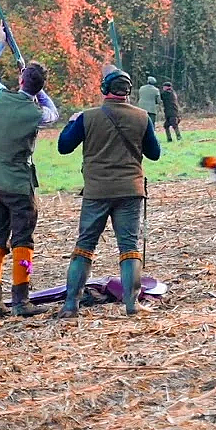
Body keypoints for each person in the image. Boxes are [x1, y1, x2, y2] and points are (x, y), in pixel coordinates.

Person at [54, 64, 161, 318]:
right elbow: (154, 154)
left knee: (84, 246)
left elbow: (63, 147)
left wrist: (71, 123)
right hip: (130, 190)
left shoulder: (87, 117)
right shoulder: (142, 117)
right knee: (129, 247)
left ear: (104, 89)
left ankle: (71, 305)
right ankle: (132, 305)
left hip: (97, 192)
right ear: (128, 91)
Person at [0, 23, 59, 319]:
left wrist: (0, 43)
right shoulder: (37, 112)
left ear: (20, 78)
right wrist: (40, 90)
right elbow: (53, 112)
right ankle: (21, 300)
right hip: (19, 186)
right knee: (23, 239)